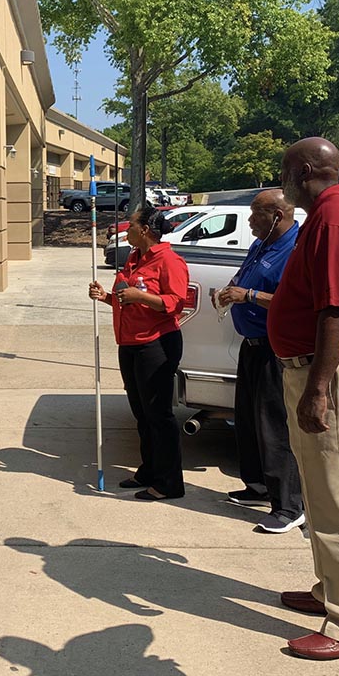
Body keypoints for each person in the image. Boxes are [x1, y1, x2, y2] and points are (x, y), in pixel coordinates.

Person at [267, 137, 339, 661]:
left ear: (306, 170)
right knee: (319, 491)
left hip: (321, 376)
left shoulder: (334, 220)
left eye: (286, 170)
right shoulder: (327, 216)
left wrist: (317, 389)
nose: (282, 179)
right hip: (309, 371)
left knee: (337, 501)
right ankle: (329, 591)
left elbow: (338, 309)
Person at [213, 189, 304, 534]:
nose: (249, 221)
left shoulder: (295, 249)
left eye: (255, 214)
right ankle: (258, 486)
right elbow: (243, 280)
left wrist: (248, 295)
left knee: (275, 426)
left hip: (275, 347)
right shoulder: (260, 245)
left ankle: (288, 505)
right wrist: (229, 291)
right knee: (248, 420)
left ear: (276, 216)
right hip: (251, 345)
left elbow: (293, 300)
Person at [88, 204, 189, 500]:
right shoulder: (133, 259)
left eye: (130, 225)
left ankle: (169, 482)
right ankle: (149, 470)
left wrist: (140, 296)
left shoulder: (168, 261)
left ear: (144, 230)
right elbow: (126, 301)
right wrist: (106, 297)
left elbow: (176, 303)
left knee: (159, 414)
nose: (126, 229)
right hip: (130, 344)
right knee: (142, 414)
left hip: (156, 344)